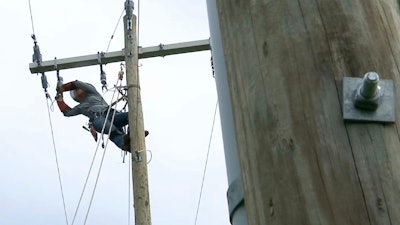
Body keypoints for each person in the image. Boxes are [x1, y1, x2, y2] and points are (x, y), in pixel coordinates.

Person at [55, 80, 148, 152]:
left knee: (131, 115)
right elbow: (67, 112)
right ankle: (126, 144)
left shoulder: (92, 92)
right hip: (97, 120)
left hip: (110, 114)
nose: (77, 91)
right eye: (75, 91)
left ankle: (135, 134)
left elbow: (76, 83)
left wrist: (62, 88)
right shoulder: (80, 107)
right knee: (113, 133)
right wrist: (60, 100)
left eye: (77, 89)